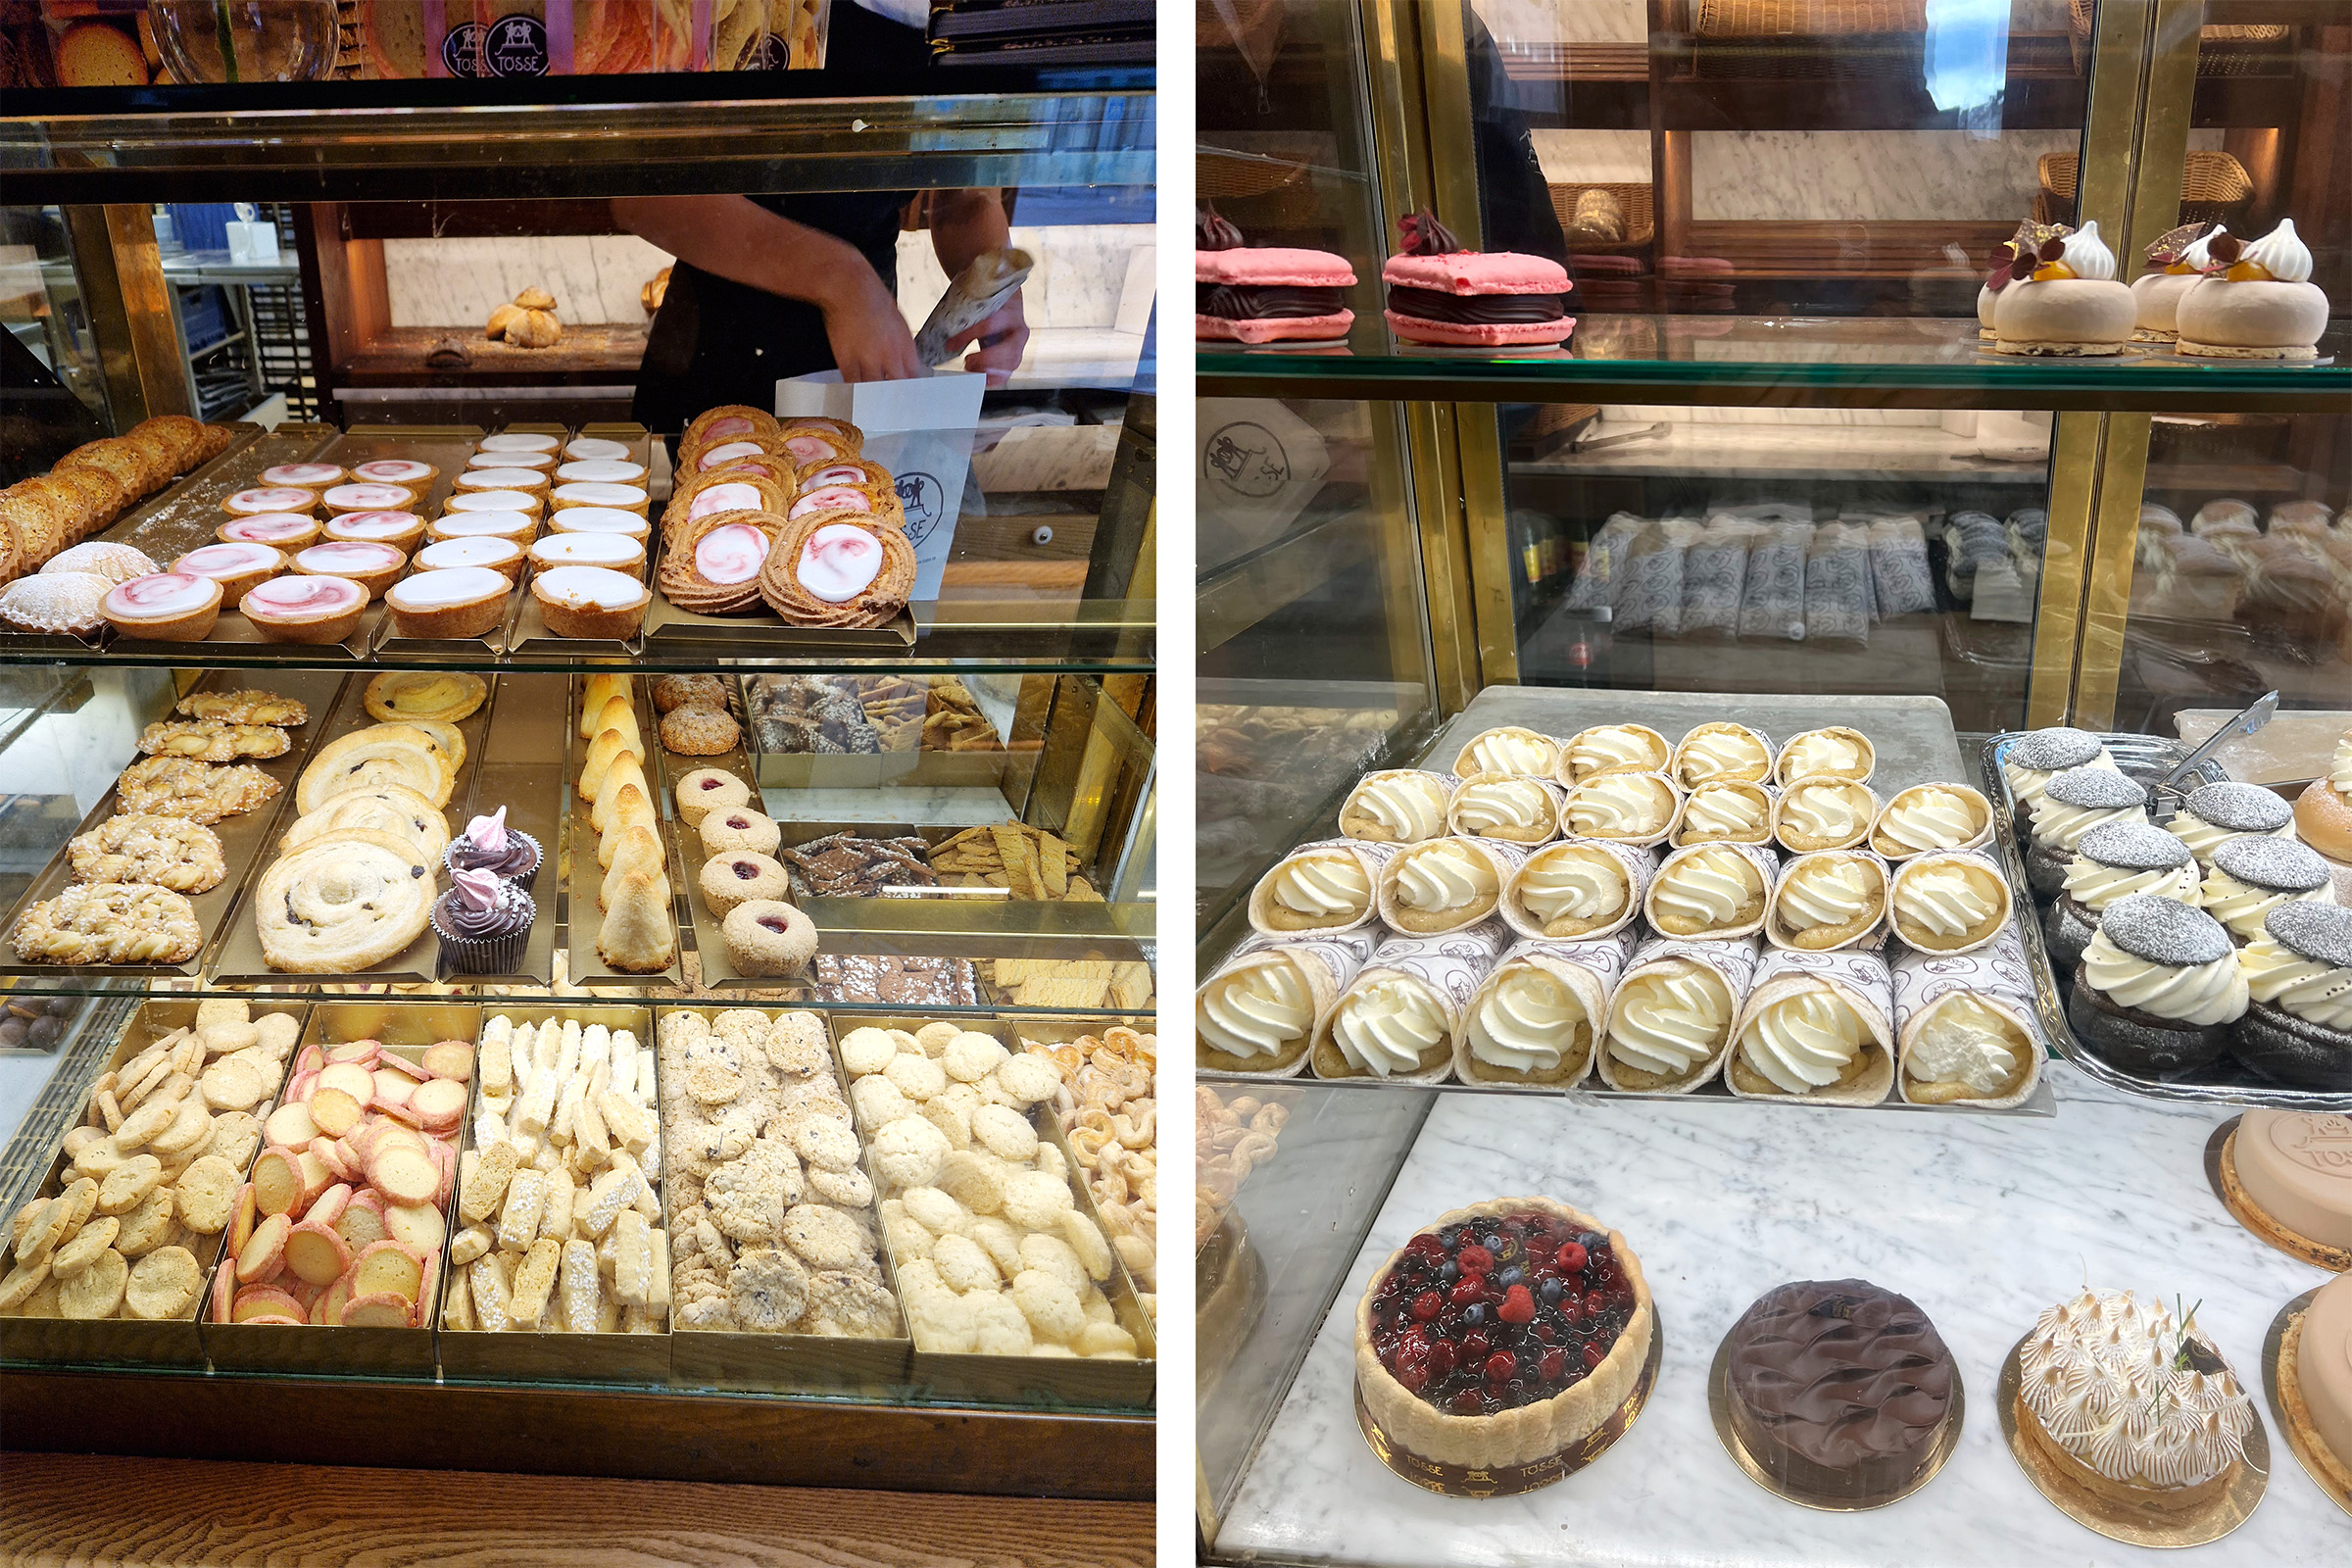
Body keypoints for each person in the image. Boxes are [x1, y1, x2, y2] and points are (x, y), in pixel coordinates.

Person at [612, 4, 1027, 433]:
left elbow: (967, 196)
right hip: (718, 350)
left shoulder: (965, 12)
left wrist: (996, 286)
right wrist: (840, 278)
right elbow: (644, 194)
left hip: (864, 363)